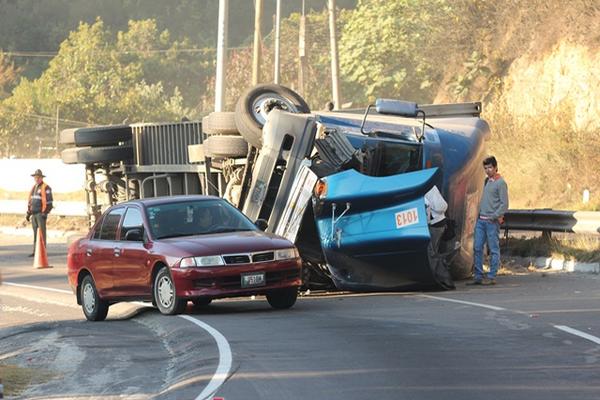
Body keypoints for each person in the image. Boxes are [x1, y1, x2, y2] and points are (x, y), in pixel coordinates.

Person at [469, 156, 509, 285]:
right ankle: (478, 275)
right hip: (481, 220)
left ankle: (492, 276)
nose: (488, 170)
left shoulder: (501, 183)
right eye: (485, 168)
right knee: (477, 247)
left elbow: (504, 204)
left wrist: (495, 216)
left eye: (490, 167)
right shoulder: (487, 181)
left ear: (496, 167)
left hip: (492, 221)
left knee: (493, 249)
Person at [425, 185, 455, 289]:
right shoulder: (432, 187)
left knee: (431, 253)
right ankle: (441, 277)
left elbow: (427, 206)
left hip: (434, 223)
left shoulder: (424, 189)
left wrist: (427, 221)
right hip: (441, 221)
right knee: (434, 252)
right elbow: (442, 205)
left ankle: (442, 279)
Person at [26, 169, 53, 257]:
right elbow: (31, 201)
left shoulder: (46, 187)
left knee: (41, 234)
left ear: (41, 178)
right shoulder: (34, 187)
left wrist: (45, 212)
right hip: (34, 214)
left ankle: (42, 252)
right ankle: (35, 251)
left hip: (41, 214)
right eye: (35, 177)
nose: (36, 179)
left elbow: (49, 202)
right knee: (35, 234)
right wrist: (28, 213)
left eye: (38, 177)